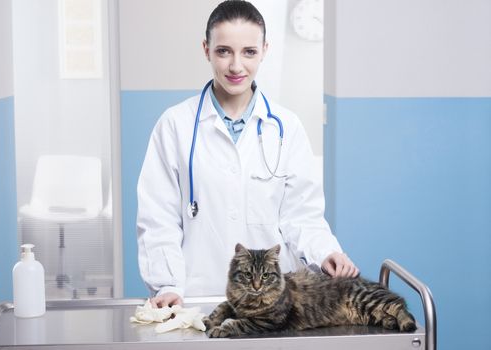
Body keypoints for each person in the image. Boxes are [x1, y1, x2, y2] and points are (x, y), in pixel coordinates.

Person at [137, 0, 359, 308]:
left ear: (265, 50)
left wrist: (325, 252)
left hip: (274, 304)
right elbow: (158, 220)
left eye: (249, 52)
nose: (236, 66)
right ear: (206, 49)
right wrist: (168, 284)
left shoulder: (286, 128)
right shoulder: (175, 126)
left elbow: (302, 215)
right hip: (198, 299)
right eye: (223, 51)